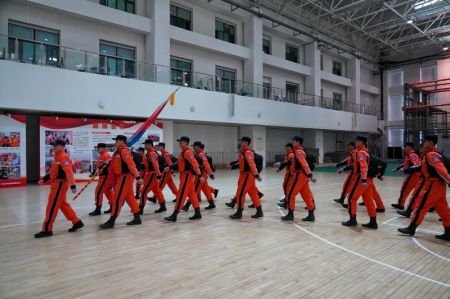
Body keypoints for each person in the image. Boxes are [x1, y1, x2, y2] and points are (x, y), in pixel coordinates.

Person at [398, 134, 450, 240]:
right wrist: (406, 170)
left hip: (432, 185)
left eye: (425, 141)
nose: (423, 143)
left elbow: (441, 170)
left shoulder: (431, 155)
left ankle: (411, 228)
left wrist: (449, 181)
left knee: (421, 206)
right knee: (443, 209)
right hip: (438, 186)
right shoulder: (432, 154)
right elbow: (420, 167)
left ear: (430, 142)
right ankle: (449, 231)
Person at [34, 140, 84, 238]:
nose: (54, 147)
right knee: (62, 204)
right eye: (53, 145)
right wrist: (45, 179)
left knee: (52, 206)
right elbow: (53, 171)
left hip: (60, 185)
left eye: (56, 145)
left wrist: (73, 185)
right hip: (55, 184)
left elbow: (68, 172)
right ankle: (76, 222)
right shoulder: (57, 156)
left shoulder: (63, 157)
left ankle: (47, 229)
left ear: (62, 146)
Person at [99, 135, 143, 229]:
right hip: (121, 177)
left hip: (125, 177)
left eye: (116, 141)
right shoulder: (117, 152)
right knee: (130, 197)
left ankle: (112, 220)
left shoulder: (125, 151)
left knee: (117, 198)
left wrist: (138, 177)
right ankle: (137, 217)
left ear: (122, 141)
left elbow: (131, 165)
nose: (115, 142)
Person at [275, 136, 316, 221]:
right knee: (306, 195)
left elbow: (304, 164)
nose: (293, 142)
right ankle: (311, 215)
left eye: (294, 141)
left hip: (299, 175)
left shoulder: (298, 151)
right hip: (303, 176)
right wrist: (281, 163)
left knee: (290, 194)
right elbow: (292, 162)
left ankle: (290, 214)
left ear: (298, 142)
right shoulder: (299, 151)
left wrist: (310, 175)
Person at [342, 136, 378, 229]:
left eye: (357, 141)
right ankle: (373, 221)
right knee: (369, 201)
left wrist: (363, 179)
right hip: (368, 179)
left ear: (361, 142)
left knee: (351, 198)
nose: (355, 142)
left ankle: (352, 220)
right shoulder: (367, 152)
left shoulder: (361, 152)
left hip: (361, 179)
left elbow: (363, 166)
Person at [164, 136, 202, 222]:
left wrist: (199, 175)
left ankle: (175, 214)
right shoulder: (183, 153)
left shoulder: (188, 152)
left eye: (180, 141)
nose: (179, 143)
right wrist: (170, 167)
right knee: (192, 194)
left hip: (187, 176)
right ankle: (197, 212)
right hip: (184, 176)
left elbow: (195, 164)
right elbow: (178, 163)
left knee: (181, 194)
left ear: (185, 143)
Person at [226, 136, 264, 219]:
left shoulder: (247, 152)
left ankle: (239, 213)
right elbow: (241, 164)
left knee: (240, 194)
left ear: (246, 142)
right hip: (245, 175)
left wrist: (257, 175)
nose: (240, 142)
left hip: (247, 175)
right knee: (253, 193)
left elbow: (252, 164)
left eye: (242, 141)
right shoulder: (243, 152)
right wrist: (232, 167)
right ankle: (259, 211)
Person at [183, 142, 217, 211]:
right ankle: (211, 203)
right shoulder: (198, 154)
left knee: (195, 190)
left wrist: (211, 174)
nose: (193, 148)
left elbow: (206, 165)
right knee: (206, 189)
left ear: (198, 147)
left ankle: (187, 205)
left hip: (201, 175)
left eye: (194, 146)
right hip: (201, 174)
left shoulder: (201, 154)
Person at [138, 139, 166, 214]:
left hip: (151, 175)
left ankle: (140, 209)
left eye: (146, 144)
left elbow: (155, 165)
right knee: (157, 190)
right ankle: (163, 206)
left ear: (150, 145)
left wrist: (159, 175)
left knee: (143, 192)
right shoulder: (148, 153)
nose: (145, 146)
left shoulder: (152, 153)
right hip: (149, 174)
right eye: (145, 144)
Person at [391, 143, 421, 210]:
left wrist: (405, 170)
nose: (404, 148)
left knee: (404, 190)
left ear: (410, 147)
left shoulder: (412, 155)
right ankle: (400, 204)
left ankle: (401, 205)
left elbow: (416, 165)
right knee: (415, 192)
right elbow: (405, 164)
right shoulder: (409, 155)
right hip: (415, 176)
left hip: (413, 176)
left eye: (405, 147)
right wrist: (398, 168)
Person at [89, 143, 114, 216]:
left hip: (105, 177)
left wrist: (99, 170)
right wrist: (93, 173)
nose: (97, 149)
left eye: (99, 148)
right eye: (97, 148)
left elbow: (108, 166)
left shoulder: (106, 155)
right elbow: (99, 167)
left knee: (98, 191)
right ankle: (113, 206)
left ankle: (98, 209)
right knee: (108, 192)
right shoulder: (101, 156)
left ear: (103, 148)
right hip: (103, 176)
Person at [276, 143, 294, 209]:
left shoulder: (291, 154)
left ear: (290, 147)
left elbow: (289, 163)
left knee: (286, 186)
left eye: (287, 147)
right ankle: (286, 200)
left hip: (290, 173)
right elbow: (285, 163)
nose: (286, 148)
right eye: (286, 147)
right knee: (285, 186)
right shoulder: (288, 154)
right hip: (288, 172)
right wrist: (279, 169)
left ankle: (287, 202)